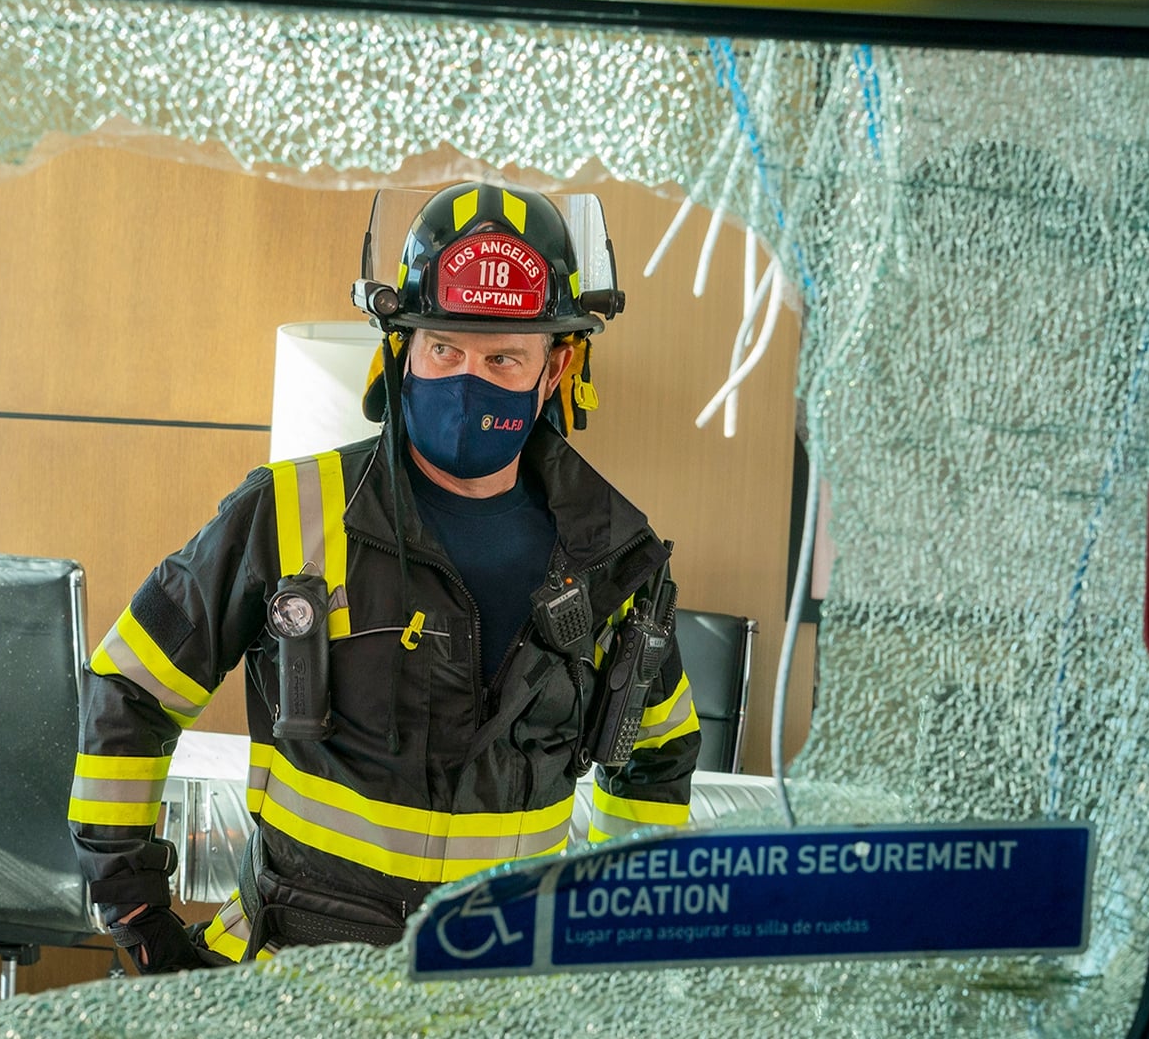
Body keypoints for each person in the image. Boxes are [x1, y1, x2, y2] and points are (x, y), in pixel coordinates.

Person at [71, 182, 700, 972]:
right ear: (401, 349)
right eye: (444, 350)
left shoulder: (608, 558)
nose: (467, 380)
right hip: (293, 983)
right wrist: (135, 909)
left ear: (557, 367)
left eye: (503, 358)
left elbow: (658, 754)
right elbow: (130, 689)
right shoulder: (288, 514)